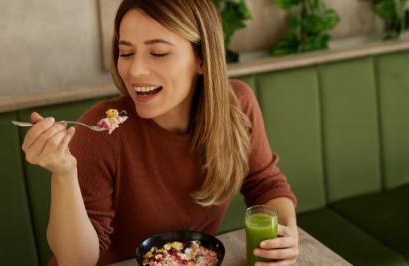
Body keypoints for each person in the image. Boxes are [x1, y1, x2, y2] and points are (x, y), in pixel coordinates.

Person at [21, 0, 298, 265]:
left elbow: (265, 184)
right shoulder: (99, 131)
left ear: (202, 58)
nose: (135, 70)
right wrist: (63, 173)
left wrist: (286, 237)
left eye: (158, 53)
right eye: (126, 52)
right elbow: (75, 261)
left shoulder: (237, 106)